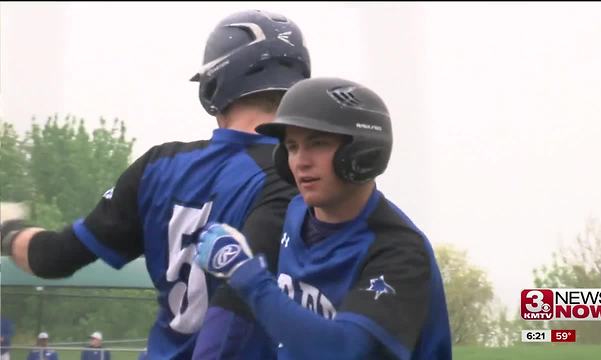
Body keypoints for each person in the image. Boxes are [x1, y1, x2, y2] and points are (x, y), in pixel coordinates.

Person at [0, 9, 310, 359]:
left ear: (215, 85)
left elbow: (53, 258)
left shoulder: (159, 165)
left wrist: (8, 233)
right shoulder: (306, 178)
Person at [195, 77, 452, 359]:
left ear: (363, 152)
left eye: (317, 143)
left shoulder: (399, 251)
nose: (301, 161)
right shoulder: (293, 215)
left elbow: (342, 350)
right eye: (292, 147)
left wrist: (245, 274)